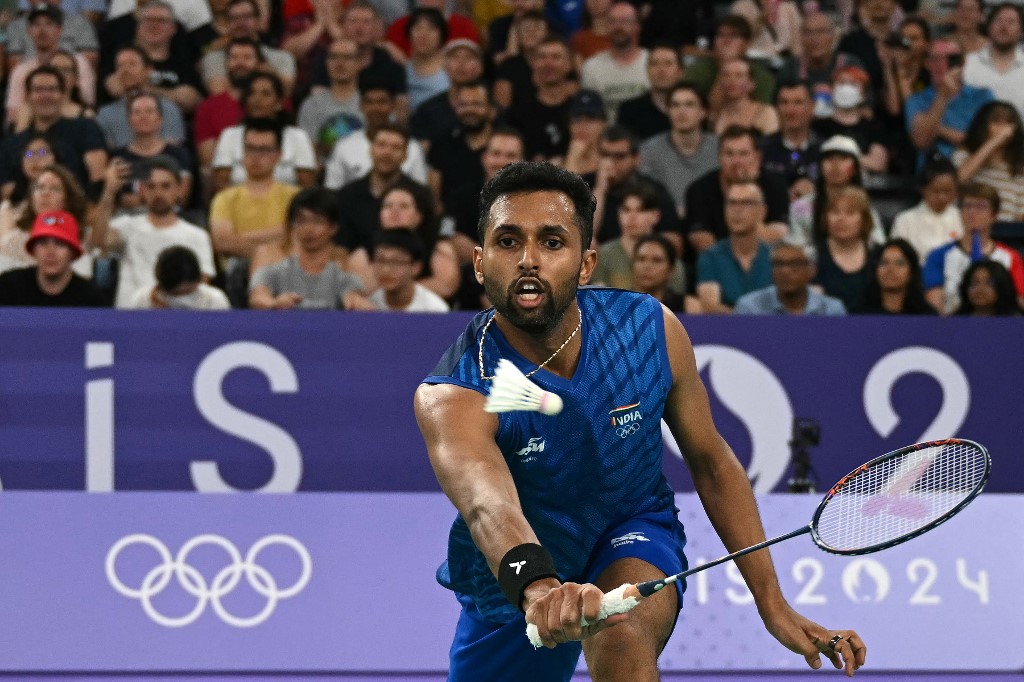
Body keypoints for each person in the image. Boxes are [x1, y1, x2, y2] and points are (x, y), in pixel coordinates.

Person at [414, 161, 865, 679]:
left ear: (586, 264)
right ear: (479, 262)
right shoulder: (456, 392)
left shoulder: (647, 330)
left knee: (622, 635)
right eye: (508, 241)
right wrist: (539, 589)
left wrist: (772, 604)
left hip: (628, 526)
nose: (529, 259)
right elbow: (487, 507)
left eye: (552, 242)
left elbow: (711, 462)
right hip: (512, 582)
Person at [91, 156, 215, 309]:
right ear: (142, 190)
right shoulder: (127, 226)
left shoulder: (197, 235)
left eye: (165, 186)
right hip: (131, 315)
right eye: (151, 186)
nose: (158, 193)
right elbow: (98, 242)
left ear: (178, 190)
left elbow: (202, 285)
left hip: (177, 315)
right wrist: (109, 192)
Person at [248, 187, 369, 310]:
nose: (309, 229)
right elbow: (258, 296)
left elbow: (354, 296)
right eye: (301, 221)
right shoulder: (275, 271)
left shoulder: (343, 275)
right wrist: (274, 304)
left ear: (333, 228)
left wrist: (356, 302)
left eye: (317, 221)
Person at [684, 126, 790, 254]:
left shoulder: (775, 185)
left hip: (764, 259)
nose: (736, 162)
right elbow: (701, 240)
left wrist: (749, 187)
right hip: (717, 260)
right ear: (719, 157)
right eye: (729, 154)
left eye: (743, 154)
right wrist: (733, 261)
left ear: (757, 157)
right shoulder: (699, 189)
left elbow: (777, 235)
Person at [923, 182, 1024, 313]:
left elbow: (1020, 302)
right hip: (952, 323)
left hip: (1000, 323)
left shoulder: (1010, 257)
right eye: (967, 206)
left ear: (994, 215)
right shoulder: (939, 256)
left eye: (981, 206)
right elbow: (934, 306)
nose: (972, 212)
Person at [210, 119, 301, 263]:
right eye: (250, 148)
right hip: (238, 270)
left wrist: (239, 237)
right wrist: (280, 234)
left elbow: (299, 237)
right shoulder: (224, 198)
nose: (256, 156)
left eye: (264, 150)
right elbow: (222, 243)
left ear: (278, 155)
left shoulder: (295, 196)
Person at [210, 74, 318, 193]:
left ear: (279, 102)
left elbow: (307, 187)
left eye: (266, 94)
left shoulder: (298, 137)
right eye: (252, 93)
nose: (257, 99)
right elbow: (220, 184)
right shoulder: (229, 136)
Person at [323, 75, 428, 190]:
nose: (375, 108)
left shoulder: (412, 147)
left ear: (393, 105)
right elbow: (332, 191)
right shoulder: (344, 146)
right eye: (369, 102)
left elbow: (420, 192)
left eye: (382, 102)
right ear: (361, 106)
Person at [905, 38, 993, 166]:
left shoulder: (983, 96)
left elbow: (990, 142)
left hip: (978, 169)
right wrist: (942, 96)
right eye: (935, 59)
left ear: (963, 63)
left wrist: (939, 129)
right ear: (927, 63)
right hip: (934, 170)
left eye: (951, 59)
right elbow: (921, 141)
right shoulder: (917, 100)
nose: (942, 64)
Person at [638, 83, 718, 219]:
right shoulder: (649, 150)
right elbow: (647, 197)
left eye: (689, 105)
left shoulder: (720, 147)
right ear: (667, 111)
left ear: (704, 112)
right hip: (666, 222)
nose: (681, 111)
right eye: (675, 105)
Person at [789, 135, 885, 248]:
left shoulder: (866, 209)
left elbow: (877, 245)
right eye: (829, 159)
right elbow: (796, 248)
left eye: (843, 158)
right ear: (820, 167)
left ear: (855, 168)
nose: (836, 165)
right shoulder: (800, 207)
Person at [696, 180, 774, 313]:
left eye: (746, 203)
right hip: (724, 326)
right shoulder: (710, 257)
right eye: (731, 203)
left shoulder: (775, 258)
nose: (737, 210)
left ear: (762, 211)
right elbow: (710, 307)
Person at [0, 210, 106, 307]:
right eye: (43, 243)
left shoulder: (91, 297)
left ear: (73, 252)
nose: (50, 252)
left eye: (60, 244)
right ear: (33, 250)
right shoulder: (8, 287)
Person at [108, 92, 194, 210]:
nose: (143, 117)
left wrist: (141, 198)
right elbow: (117, 199)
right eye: (137, 112)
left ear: (160, 119)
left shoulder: (179, 154)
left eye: (149, 111)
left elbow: (181, 196)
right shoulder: (117, 157)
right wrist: (159, 196)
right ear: (129, 120)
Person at [94, 47, 186, 149]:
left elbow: (173, 150)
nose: (125, 70)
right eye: (120, 66)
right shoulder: (106, 114)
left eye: (132, 64)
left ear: (148, 70)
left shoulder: (168, 109)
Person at [953, 100, 1024, 222]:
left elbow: (1020, 215)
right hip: (966, 226)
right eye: (996, 121)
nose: (1003, 128)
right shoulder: (964, 155)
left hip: (1005, 230)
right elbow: (957, 180)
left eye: (1008, 122)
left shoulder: (1018, 168)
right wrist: (994, 141)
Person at [734, 239, 847, 315]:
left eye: (795, 264)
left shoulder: (830, 311)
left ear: (812, 271)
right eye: (779, 264)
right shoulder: (750, 308)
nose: (785, 271)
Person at [579, 1, 649, 122]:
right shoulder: (591, 68)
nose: (618, 27)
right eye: (613, 21)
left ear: (637, 26)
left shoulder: (652, 62)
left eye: (625, 21)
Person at [815, 186, 877, 314]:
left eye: (850, 213)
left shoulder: (879, 255)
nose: (841, 219)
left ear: (864, 219)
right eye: (835, 212)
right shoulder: (812, 256)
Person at [890, 159, 963, 263]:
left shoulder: (962, 218)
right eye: (936, 191)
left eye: (947, 191)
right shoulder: (905, 220)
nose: (941, 197)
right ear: (923, 189)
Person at [760, 80, 821, 199]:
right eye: (784, 103)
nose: (791, 110)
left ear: (812, 106)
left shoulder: (824, 150)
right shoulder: (762, 150)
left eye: (798, 103)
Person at [963, 3, 1024, 118]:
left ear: (1021, 31)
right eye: (999, 21)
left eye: (1011, 22)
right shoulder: (968, 63)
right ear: (989, 27)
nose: (1004, 27)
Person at [616, 43, 685, 142]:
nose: (661, 70)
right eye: (654, 64)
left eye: (668, 63)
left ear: (681, 72)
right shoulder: (629, 110)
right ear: (647, 70)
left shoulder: (693, 109)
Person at [125, 245, 231, 309]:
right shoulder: (142, 299)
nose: (182, 299)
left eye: (188, 293)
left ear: (200, 279)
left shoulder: (214, 300)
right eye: (175, 295)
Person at [368, 228, 450, 312]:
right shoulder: (369, 306)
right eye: (381, 261)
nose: (386, 269)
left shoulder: (434, 310)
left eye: (396, 262)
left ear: (416, 267)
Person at [861, 238, 936, 314]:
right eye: (884, 263)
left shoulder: (927, 316)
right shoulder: (861, 315)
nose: (890, 269)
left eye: (900, 263)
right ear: (875, 270)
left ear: (911, 272)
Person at [710, 59, 780, 137]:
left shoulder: (766, 113)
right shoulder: (716, 115)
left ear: (751, 84)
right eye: (726, 75)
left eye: (739, 75)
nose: (731, 80)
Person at [404, 8, 451, 113]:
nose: (423, 35)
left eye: (431, 29)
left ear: (442, 35)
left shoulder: (452, 70)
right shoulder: (401, 69)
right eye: (418, 28)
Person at [631, 233, 689, 312]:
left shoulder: (689, 307)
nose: (647, 266)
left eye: (657, 260)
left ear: (671, 269)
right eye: (641, 259)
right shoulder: (616, 306)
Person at [954, 259, 1023, 316]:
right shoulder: (954, 321)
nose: (980, 289)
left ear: (1002, 287)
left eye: (989, 283)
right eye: (974, 283)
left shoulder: (1017, 321)